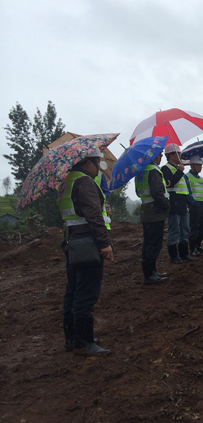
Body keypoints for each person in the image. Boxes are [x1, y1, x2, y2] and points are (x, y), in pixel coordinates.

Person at [56, 147, 113, 356]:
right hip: (88, 243)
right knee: (86, 294)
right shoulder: (85, 182)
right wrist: (104, 243)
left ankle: (71, 338)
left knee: (72, 291)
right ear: (88, 163)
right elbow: (93, 216)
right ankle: (84, 342)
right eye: (97, 162)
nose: (98, 167)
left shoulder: (67, 182)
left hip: (72, 243)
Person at [135, 151, 170, 285]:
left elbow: (138, 192)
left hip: (146, 210)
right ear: (155, 156)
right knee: (154, 244)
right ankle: (150, 275)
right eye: (160, 155)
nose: (161, 158)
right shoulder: (153, 170)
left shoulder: (141, 172)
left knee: (148, 243)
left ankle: (151, 271)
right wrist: (166, 205)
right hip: (155, 211)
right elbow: (156, 192)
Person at [161, 143, 196, 263]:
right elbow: (169, 183)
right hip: (174, 204)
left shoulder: (178, 168)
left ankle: (184, 254)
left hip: (183, 203)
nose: (180, 156)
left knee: (185, 229)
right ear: (171, 155)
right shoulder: (165, 168)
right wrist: (180, 171)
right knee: (174, 230)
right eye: (178, 153)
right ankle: (174, 256)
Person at [186, 156, 203, 254]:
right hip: (195, 206)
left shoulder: (200, 178)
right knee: (194, 227)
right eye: (198, 165)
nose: (200, 167)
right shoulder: (187, 176)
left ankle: (197, 245)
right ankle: (193, 248)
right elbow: (187, 192)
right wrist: (193, 203)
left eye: (201, 165)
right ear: (192, 165)